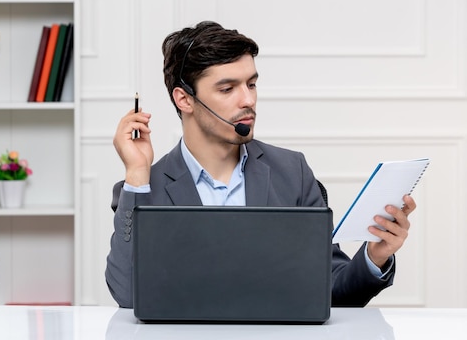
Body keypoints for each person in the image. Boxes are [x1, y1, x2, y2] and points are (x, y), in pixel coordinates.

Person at [105, 21, 416, 308]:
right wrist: (136, 174)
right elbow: (128, 295)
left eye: (251, 85)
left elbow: (330, 288)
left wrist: (374, 257)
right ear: (185, 100)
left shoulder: (291, 172)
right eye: (227, 89)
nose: (248, 100)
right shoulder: (145, 188)